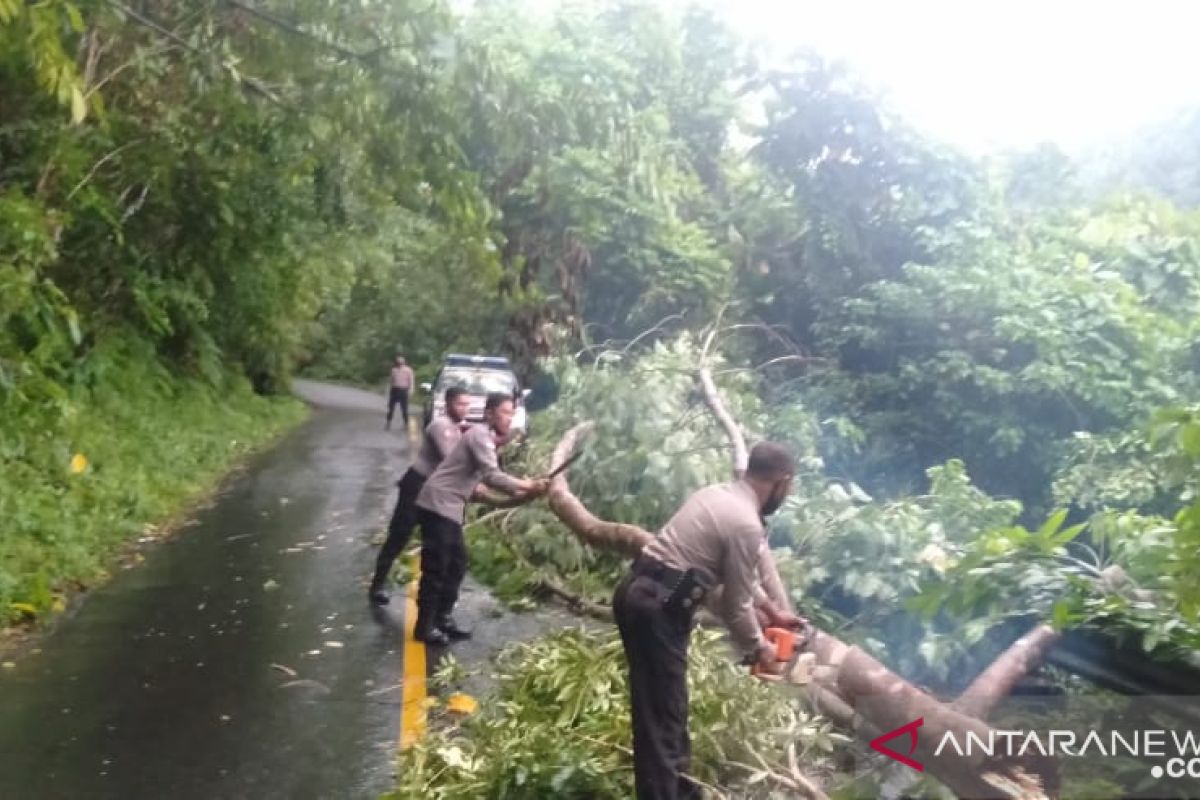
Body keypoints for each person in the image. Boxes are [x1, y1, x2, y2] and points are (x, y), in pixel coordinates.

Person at [612, 441, 801, 800]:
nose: (787, 493)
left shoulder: (717, 494)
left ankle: (681, 793)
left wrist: (773, 612)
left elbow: (737, 580)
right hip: (657, 608)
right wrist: (761, 650)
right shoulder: (745, 524)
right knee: (662, 720)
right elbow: (736, 606)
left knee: (666, 710)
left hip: (640, 593)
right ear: (781, 481)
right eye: (789, 487)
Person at [412, 392, 550, 645]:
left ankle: (442, 618)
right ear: (489, 413)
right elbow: (492, 475)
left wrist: (526, 490)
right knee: (437, 568)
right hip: (437, 505)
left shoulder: (486, 439)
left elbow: (486, 482)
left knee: (457, 564)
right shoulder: (479, 436)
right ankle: (424, 627)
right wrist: (528, 485)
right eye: (505, 412)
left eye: (512, 413)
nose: (510, 418)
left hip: (450, 507)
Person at [368, 386, 471, 605]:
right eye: (460, 404)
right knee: (399, 535)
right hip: (417, 486)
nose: (465, 408)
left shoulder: (457, 428)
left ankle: (431, 604)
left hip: (436, 492)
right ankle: (377, 584)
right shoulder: (440, 426)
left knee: (435, 544)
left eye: (467, 404)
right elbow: (450, 460)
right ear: (448, 404)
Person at [386, 356, 415, 430]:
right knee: (391, 407)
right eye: (398, 363)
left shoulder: (408, 370)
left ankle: (406, 424)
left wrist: (411, 390)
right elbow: (391, 381)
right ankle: (388, 422)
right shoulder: (394, 370)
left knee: (404, 408)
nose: (399, 364)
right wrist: (388, 390)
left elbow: (411, 381)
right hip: (395, 389)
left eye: (401, 363)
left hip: (403, 389)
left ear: (404, 362)